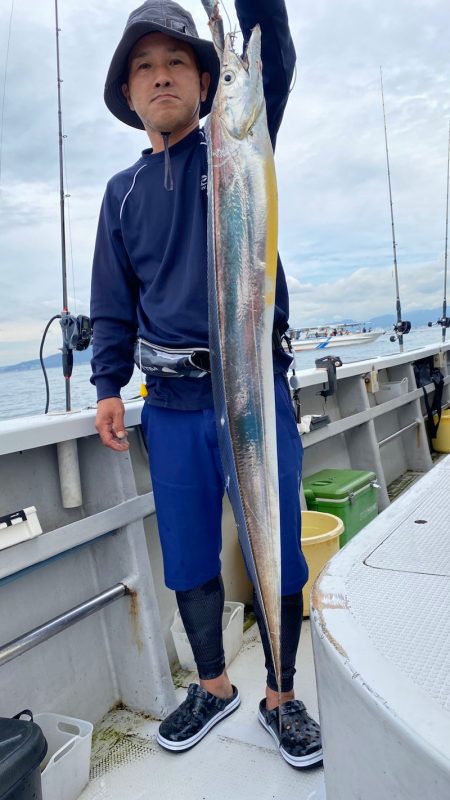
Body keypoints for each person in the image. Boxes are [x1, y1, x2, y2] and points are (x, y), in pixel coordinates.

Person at [90, 0, 322, 769]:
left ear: (207, 82)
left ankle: (282, 696)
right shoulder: (121, 194)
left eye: (177, 64)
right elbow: (112, 301)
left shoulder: (236, 143)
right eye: (145, 69)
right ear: (129, 93)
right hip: (173, 404)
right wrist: (107, 384)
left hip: (252, 389)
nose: (161, 78)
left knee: (277, 541)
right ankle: (216, 686)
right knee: (187, 554)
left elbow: (272, 57)